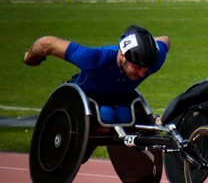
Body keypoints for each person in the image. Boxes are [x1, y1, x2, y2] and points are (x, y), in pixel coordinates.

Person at [23, 25, 171, 124]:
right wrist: (30, 58)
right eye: (137, 67)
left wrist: (147, 44)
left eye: (146, 69)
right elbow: (46, 43)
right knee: (107, 115)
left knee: (123, 116)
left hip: (118, 101)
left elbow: (165, 40)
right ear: (122, 55)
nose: (141, 74)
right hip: (80, 101)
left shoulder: (154, 61)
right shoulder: (95, 59)